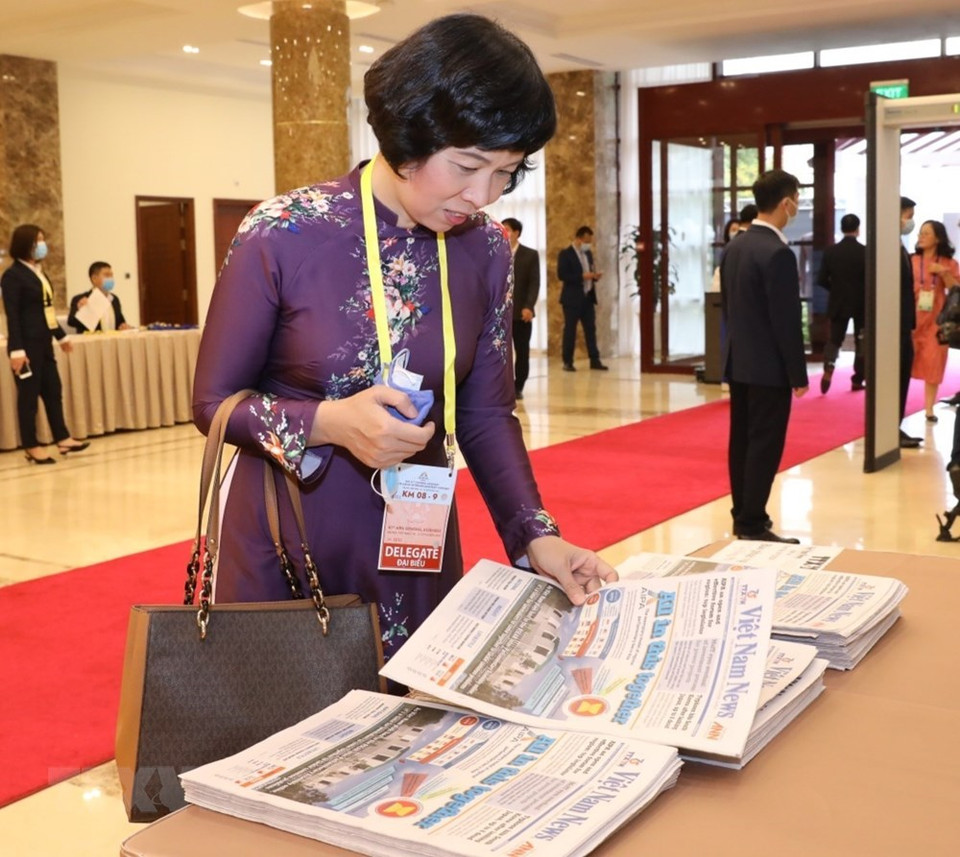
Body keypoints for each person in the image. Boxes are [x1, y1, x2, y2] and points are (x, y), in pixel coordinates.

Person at [191, 14, 617, 663]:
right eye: (468, 166)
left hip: (414, 535)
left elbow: (484, 411)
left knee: (411, 732)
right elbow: (214, 403)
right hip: (287, 534)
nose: (482, 195)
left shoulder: (485, 253)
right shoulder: (283, 233)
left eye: (506, 172)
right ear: (406, 136)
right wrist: (329, 422)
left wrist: (536, 535)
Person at [720, 170, 809, 543]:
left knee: (741, 440)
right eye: (797, 201)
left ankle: (743, 513)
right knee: (764, 443)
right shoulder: (777, 253)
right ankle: (753, 522)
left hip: (740, 361)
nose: (797, 207)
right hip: (768, 367)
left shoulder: (735, 246)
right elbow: (785, 320)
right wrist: (798, 374)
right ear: (786, 203)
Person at [1, 225, 91, 464]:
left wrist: (61, 336)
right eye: (37, 240)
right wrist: (17, 351)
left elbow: (47, 310)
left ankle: (62, 438)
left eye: (42, 239)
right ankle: (31, 445)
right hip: (25, 347)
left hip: (44, 344)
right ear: (25, 244)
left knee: (53, 390)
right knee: (28, 398)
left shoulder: (40, 273)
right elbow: (13, 315)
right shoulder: (12, 276)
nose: (42, 245)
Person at [910, 220, 959, 423]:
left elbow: (956, 290)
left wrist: (943, 272)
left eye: (927, 233)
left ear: (938, 238)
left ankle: (929, 408)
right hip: (912, 319)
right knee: (906, 362)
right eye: (921, 233)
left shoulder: (948, 263)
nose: (921, 237)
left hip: (937, 321)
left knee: (934, 363)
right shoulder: (911, 260)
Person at [817, 213, 866, 393]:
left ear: (841, 228)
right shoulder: (865, 252)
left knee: (834, 339)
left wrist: (836, 289)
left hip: (838, 301)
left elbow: (821, 279)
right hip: (861, 303)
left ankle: (829, 369)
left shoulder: (830, 252)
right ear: (858, 229)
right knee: (862, 341)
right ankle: (858, 378)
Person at [557, 225, 607, 371]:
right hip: (572, 300)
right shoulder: (566, 254)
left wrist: (594, 276)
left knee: (591, 330)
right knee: (570, 331)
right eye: (586, 240)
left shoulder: (588, 254)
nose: (588, 243)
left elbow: (590, 271)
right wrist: (581, 277)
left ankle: (595, 360)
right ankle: (568, 362)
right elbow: (562, 275)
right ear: (579, 239)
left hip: (588, 298)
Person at [502, 217, 539, 400]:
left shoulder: (530, 255)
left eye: (507, 229)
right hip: (501, 314)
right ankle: (503, 386)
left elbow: (534, 283)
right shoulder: (497, 253)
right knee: (502, 352)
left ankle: (519, 385)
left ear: (516, 232)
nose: (505, 232)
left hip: (521, 313)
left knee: (522, 351)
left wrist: (529, 307)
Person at [898, 197, 922, 448]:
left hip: (904, 323)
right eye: (909, 215)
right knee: (897, 375)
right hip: (895, 325)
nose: (910, 221)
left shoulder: (899, 245)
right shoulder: (887, 247)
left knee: (903, 374)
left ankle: (895, 426)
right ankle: (891, 427)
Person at [67, 261, 132, 332]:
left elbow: (120, 323)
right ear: (94, 278)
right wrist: (81, 311)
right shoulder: (81, 298)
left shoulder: (114, 299)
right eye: (107, 275)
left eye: (112, 275)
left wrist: (124, 326)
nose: (111, 279)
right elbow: (71, 322)